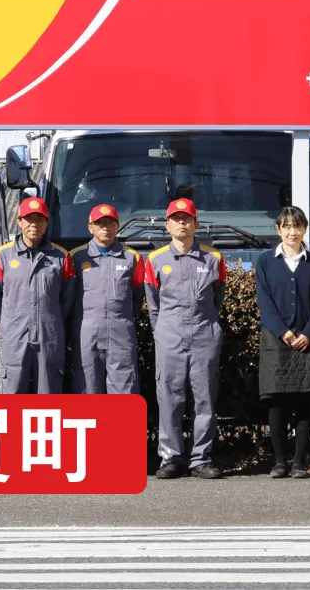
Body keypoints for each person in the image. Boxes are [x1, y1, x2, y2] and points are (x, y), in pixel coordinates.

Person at [144, 197, 227, 479]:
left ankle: (201, 458)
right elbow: (153, 305)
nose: (182, 223)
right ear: (167, 225)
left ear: (196, 224)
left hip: (204, 335)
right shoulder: (155, 260)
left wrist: (208, 325)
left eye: (187, 219)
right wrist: (163, 332)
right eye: (176, 219)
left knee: (205, 398)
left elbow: (217, 298)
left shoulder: (214, 259)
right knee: (169, 397)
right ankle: (171, 458)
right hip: (169, 337)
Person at [255, 205, 310, 479]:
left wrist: (307, 333)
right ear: (278, 229)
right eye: (286, 226)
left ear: (304, 229)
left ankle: (299, 462)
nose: (292, 231)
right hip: (276, 340)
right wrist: (283, 332)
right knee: (277, 402)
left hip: (307, 340)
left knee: (305, 402)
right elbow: (264, 301)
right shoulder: (265, 262)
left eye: (297, 226)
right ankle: (279, 461)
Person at [0, 197, 76, 394]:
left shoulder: (61, 257)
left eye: (39, 219)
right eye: (29, 219)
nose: (34, 224)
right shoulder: (2, 256)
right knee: (13, 393)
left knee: (48, 395)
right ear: (19, 221)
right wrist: (8, 324)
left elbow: (67, 300)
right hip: (14, 338)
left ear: (46, 222)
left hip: (49, 337)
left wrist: (51, 322)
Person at [69, 204, 144, 394]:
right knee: (87, 389)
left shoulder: (132, 258)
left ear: (117, 226)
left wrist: (120, 319)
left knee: (124, 389)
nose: (105, 228)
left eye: (110, 223)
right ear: (90, 227)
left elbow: (138, 296)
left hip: (121, 334)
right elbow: (68, 298)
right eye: (100, 223)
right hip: (86, 335)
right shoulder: (75, 257)